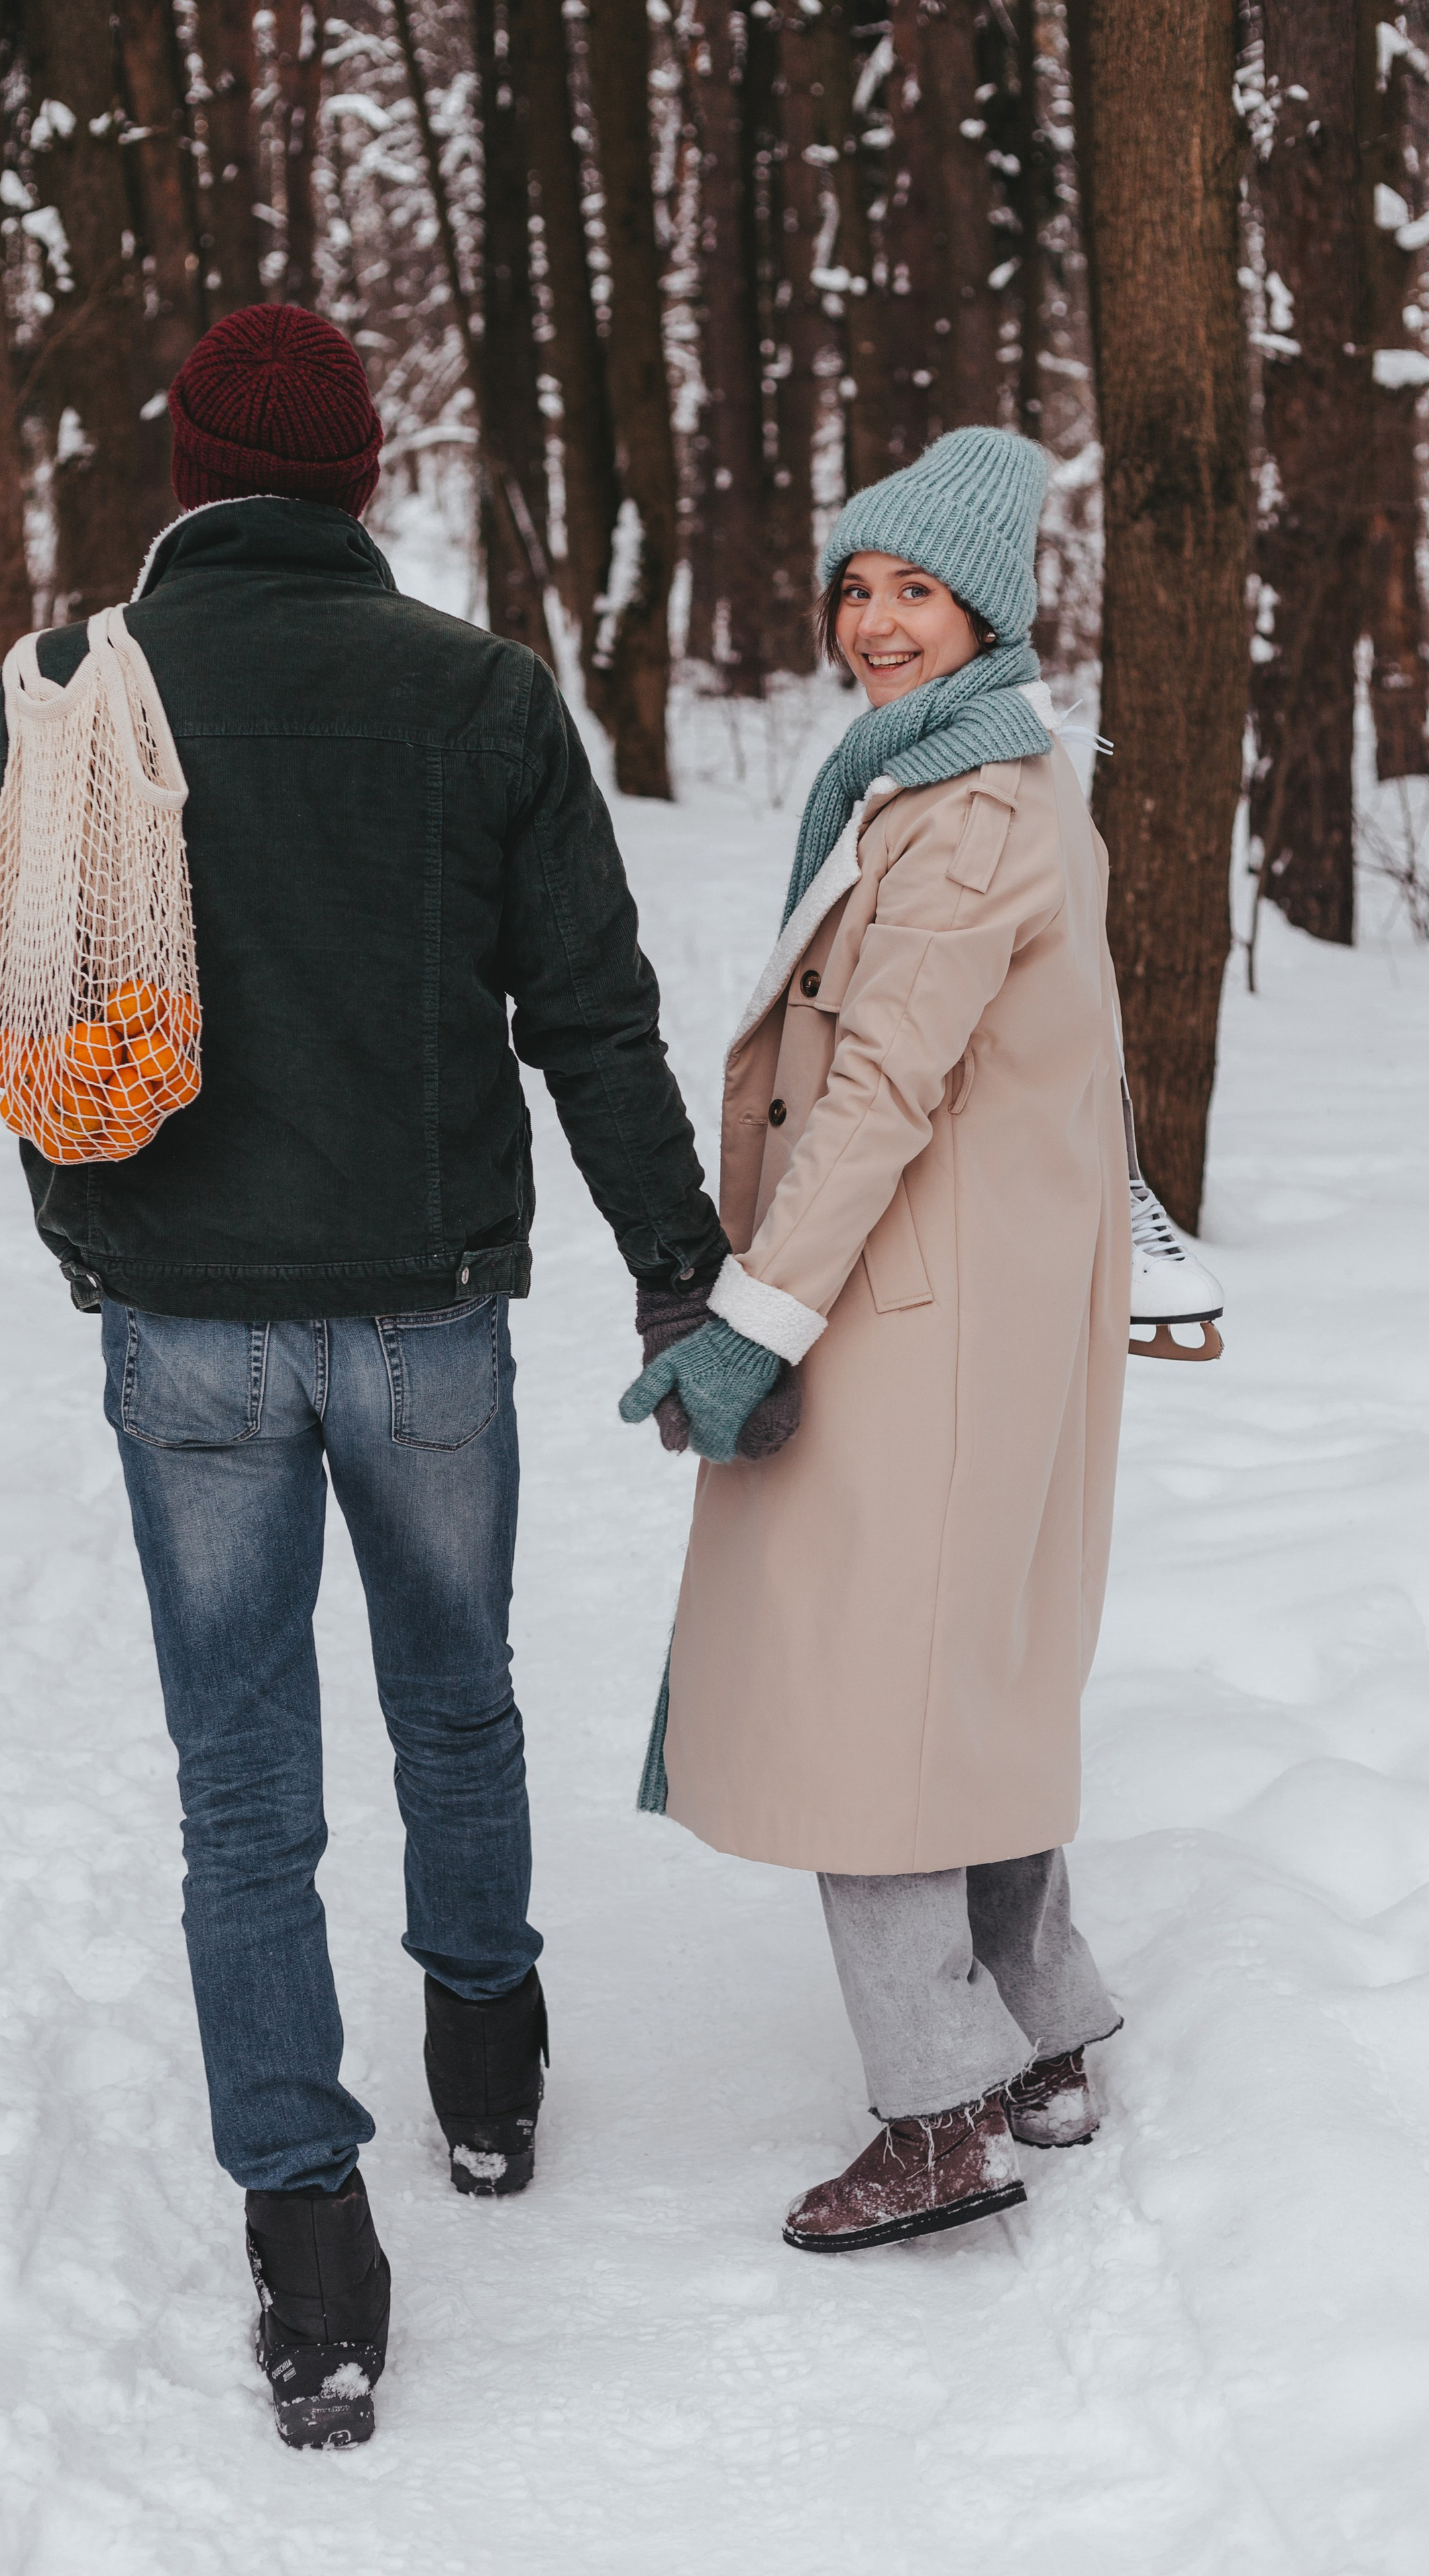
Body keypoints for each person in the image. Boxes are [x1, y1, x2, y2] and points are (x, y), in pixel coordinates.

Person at [0, 303, 729, 2445]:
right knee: (455, 1686)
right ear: (366, 480)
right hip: (428, 1305)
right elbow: (597, 1021)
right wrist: (674, 1266)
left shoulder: (75, 695)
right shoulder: (478, 695)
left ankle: (309, 2233)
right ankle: (485, 2060)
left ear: (185, 476)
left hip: (180, 1315)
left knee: (240, 1777)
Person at [621, 427, 1128, 2253]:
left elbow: (885, 1087)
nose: (877, 622)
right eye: (858, 585)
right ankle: (1048, 2033)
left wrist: (754, 1322)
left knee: (873, 1705)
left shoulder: (972, 803)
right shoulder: (964, 772)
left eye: (916, 589)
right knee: (959, 1676)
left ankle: (936, 2116)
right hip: (968, 1295)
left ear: (988, 605)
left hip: (913, 1302)